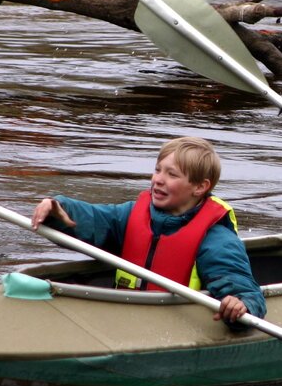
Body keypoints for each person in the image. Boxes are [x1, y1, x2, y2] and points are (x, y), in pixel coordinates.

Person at [31, 136, 266, 326]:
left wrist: (241, 304)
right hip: (126, 315)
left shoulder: (216, 239)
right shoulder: (131, 215)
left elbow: (244, 290)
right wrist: (57, 207)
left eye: (172, 174)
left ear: (200, 187)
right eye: (158, 170)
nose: (158, 180)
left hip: (175, 323)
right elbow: (94, 218)